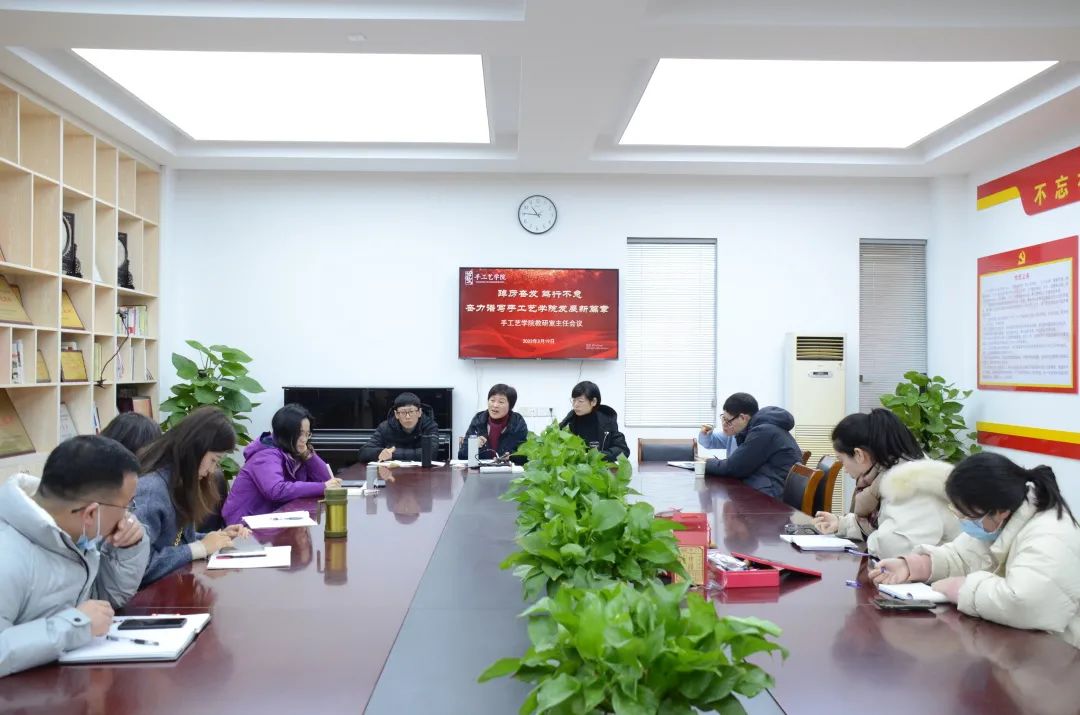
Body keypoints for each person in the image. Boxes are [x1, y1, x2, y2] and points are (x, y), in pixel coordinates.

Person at [871, 452, 1080, 648]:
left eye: (967, 515)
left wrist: (963, 589)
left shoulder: (1051, 535)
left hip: (1060, 655)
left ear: (1000, 511)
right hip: (1020, 645)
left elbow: (1024, 603)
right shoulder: (1001, 519)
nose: (963, 521)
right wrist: (914, 566)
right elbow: (960, 556)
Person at [0, 436, 150, 677]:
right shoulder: (7, 553)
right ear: (90, 513)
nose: (127, 516)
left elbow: (104, 601)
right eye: (127, 506)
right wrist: (75, 625)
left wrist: (130, 547)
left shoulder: (71, 533)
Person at [810, 408, 959, 558]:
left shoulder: (911, 484)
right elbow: (883, 524)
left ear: (859, 454)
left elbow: (896, 547)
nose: (844, 469)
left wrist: (872, 539)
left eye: (841, 460)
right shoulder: (887, 474)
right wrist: (841, 524)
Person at [133, 406, 250, 586]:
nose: (212, 470)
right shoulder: (151, 491)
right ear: (195, 449)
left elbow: (175, 540)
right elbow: (139, 567)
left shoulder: (176, 482)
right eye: (213, 460)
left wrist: (215, 538)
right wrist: (200, 548)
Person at [221, 404, 341, 525]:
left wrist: (308, 455)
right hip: (243, 525)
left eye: (307, 434)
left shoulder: (294, 451)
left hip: (273, 519)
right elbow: (276, 490)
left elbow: (327, 481)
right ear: (285, 432)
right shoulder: (266, 455)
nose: (304, 439)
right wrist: (322, 487)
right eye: (300, 433)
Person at [703, 392, 802, 499]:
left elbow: (734, 467)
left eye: (728, 421)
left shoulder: (764, 431)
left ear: (742, 418)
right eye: (723, 418)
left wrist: (704, 463)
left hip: (772, 498)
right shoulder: (762, 428)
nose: (725, 424)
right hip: (768, 488)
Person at [357, 392, 440, 463]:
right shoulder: (385, 427)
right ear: (396, 414)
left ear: (419, 412)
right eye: (403, 412)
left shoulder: (429, 426)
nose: (408, 417)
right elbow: (363, 452)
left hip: (422, 474)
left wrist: (393, 454)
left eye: (411, 412)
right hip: (391, 473)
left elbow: (430, 453)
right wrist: (379, 453)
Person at [558, 381, 629, 462]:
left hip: (600, 468)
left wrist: (595, 456)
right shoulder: (569, 421)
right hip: (574, 468)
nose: (575, 405)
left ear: (593, 402)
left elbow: (623, 450)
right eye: (573, 400)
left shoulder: (607, 421)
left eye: (580, 401)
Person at [457, 383, 529, 461]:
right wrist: (473, 446)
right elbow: (462, 455)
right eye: (492, 400)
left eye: (501, 402)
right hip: (481, 468)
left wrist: (511, 457)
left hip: (506, 468)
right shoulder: (478, 420)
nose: (495, 405)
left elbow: (525, 456)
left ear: (510, 406)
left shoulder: (517, 422)